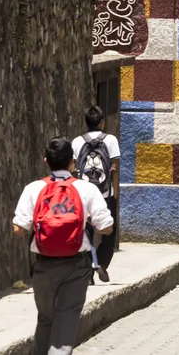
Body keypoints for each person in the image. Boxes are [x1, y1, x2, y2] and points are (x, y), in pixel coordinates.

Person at [13, 137, 113, 355]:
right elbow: (106, 227)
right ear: (73, 163)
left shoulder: (33, 189)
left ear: (46, 161)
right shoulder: (87, 190)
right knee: (66, 320)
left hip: (44, 267)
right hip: (76, 266)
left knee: (45, 319)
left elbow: (19, 230)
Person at [73, 106, 119, 283]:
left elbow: (73, 170)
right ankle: (99, 262)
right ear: (102, 122)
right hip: (106, 193)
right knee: (109, 232)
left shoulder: (77, 142)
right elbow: (114, 168)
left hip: (83, 195)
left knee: (87, 233)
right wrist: (115, 194)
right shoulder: (111, 140)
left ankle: (87, 272)